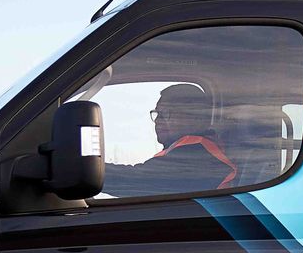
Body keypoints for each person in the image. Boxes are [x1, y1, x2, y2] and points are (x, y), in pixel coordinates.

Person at [101, 82, 236, 196]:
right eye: (157, 114)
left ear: (195, 117)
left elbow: (137, 181)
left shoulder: (196, 154)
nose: (158, 120)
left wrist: (88, 172)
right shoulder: (195, 150)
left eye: (166, 113)